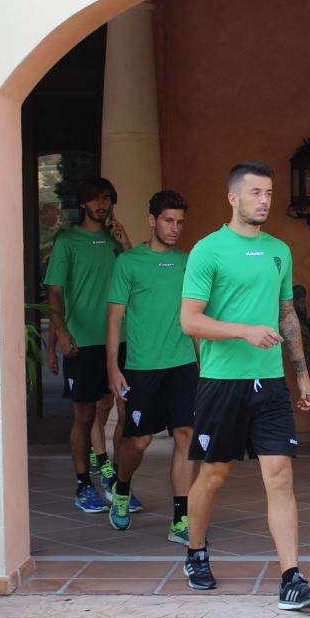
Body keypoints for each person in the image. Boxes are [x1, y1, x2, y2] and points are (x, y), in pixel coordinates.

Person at [179, 160, 310, 612]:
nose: (264, 201)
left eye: (268, 193)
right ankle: (195, 551)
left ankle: (291, 578)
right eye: (255, 193)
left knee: (279, 476)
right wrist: (243, 330)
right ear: (233, 197)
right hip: (221, 383)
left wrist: (300, 369)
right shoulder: (208, 250)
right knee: (214, 474)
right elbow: (190, 320)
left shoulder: (279, 250)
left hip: (270, 384)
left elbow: (285, 314)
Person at [43, 176, 141, 514]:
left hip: (122, 340)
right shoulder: (67, 241)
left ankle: (118, 483)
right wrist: (61, 333)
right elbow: (53, 293)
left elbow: (139, 278)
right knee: (83, 415)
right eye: (95, 200)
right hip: (83, 343)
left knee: (124, 414)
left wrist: (126, 240)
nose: (101, 206)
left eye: (106, 199)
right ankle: (84, 484)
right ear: (83, 204)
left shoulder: (115, 242)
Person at [105, 190, 198, 539]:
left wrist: (204, 365)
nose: (175, 228)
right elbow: (114, 319)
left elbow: (197, 316)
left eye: (180, 222)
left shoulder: (188, 262)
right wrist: (113, 368)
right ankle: (122, 487)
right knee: (139, 441)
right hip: (142, 366)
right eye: (168, 221)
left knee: (185, 436)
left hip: (183, 363)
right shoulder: (129, 263)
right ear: (152, 220)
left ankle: (180, 519)